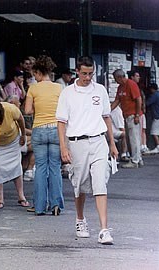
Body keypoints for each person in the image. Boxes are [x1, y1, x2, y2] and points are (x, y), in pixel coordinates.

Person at [56, 56, 118, 244]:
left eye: (91, 73)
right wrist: (63, 146)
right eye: (84, 73)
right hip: (77, 143)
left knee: (100, 183)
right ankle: (80, 219)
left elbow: (107, 117)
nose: (87, 77)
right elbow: (61, 122)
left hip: (98, 141)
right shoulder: (67, 93)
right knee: (80, 185)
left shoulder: (99, 90)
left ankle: (104, 230)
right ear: (77, 71)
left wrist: (112, 143)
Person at [24, 55, 64, 216]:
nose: (34, 77)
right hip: (55, 129)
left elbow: (27, 111)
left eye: (35, 74)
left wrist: (37, 109)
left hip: (39, 129)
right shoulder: (59, 88)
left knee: (40, 168)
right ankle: (56, 205)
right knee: (55, 167)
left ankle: (39, 206)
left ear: (39, 73)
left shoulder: (33, 88)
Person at [111, 69, 143, 169]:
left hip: (133, 115)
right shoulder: (120, 87)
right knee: (130, 139)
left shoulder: (131, 84)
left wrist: (137, 115)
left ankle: (135, 160)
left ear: (120, 77)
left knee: (134, 138)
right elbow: (117, 100)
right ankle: (137, 158)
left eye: (116, 79)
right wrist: (108, 110)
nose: (115, 81)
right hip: (126, 115)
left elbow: (138, 99)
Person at [144, 83, 159, 154]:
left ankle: (158, 146)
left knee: (154, 132)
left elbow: (147, 103)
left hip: (158, 116)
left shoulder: (155, 95)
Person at [129, 70, 148, 154]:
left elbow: (140, 100)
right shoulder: (132, 86)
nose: (138, 78)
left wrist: (139, 113)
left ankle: (143, 146)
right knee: (135, 134)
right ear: (132, 77)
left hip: (139, 113)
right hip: (135, 113)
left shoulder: (138, 87)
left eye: (138, 76)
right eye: (136, 76)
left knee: (141, 130)